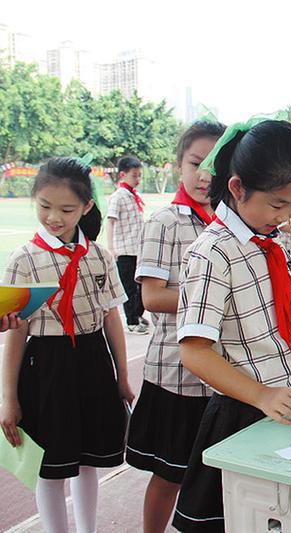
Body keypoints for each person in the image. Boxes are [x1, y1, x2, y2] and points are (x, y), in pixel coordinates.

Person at [171, 119, 291, 532]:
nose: (286, 217)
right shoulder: (212, 252)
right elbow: (194, 350)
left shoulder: (271, 242)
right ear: (238, 187)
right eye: (278, 205)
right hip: (243, 412)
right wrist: (261, 395)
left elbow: (285, 324)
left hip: (287, 401)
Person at [0, 157, 135, 533]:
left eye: (66, 209)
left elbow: (111, 317)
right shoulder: (23, 259)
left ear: (87, 207)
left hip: (92, 361)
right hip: (46, 366)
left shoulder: (99, 256)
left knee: (89, 459)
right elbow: (16, 331)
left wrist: (122, 376)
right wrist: (7, 397)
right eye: (44, 206)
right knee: (51, 465)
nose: (53, 217)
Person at [126, 120, 225, 533]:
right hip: (176, 375)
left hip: (221, 377)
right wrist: (213, 296)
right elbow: (151, 297)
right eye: (196, 163)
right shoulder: (166, 221)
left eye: (215, 166)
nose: (205, 175)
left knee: (214, 480)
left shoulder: (230, 223)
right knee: (169, 476)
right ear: (178, 166)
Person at [107, 155, 148, 334]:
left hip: (138, 249)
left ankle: (137, 314)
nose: (137, 179)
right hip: (124, 250)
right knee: (129, 288)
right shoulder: (118, 197)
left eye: (139, 175)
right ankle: (132, 321)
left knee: (141, 286)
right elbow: (110, 221)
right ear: (122, 175)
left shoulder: (133, 196)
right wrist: (111, 248)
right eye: (134, 175)